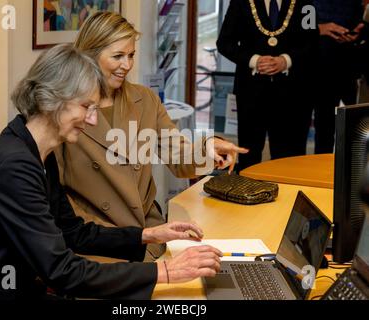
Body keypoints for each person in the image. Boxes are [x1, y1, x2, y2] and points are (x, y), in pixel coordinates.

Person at [0, 44, 222, 300]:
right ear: (51, 100)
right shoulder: (15, 166)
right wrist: (165, 271)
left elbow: (73, 233)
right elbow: (61, 270)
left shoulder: (35, 150)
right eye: (86, 107)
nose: (92, 119)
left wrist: (149, 234)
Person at [57, 11, 248, 262]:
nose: (127, 65)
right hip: (97, 242)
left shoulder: (144, 99)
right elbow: (58, 195)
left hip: (149, 233)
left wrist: (207, 148)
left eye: (131, 55)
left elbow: (178, 155)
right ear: (89, 55)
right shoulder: (64, 108)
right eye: (118, 56)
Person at [216, 0, 319, 171]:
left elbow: (312, 43)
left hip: (293, 94)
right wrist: (254, 61)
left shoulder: (305, 3)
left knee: (290, 157)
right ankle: (248, 194)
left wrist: (285, 61)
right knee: (249, 155)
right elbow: (225, 43)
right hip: (251, 92)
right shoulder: (240, 2)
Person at [312, 0, 366, 153]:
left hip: (346, 68)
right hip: (313, 66)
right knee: (323, 129)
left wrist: (356, 33)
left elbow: (359, 20)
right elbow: (295, 23)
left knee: (354, 130)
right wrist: (319, 29)